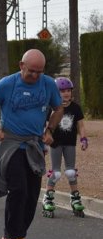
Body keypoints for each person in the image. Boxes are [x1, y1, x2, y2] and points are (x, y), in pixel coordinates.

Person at [0, 49, 63, 239]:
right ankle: (15, 238)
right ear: (21, 65)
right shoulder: (7, 84)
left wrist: (50, 130)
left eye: (40, 72)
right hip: (12, 144)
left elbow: (59, 108)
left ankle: (13, 234)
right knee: (18, 190)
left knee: (32, 194)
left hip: (34, 145)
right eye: (31, 71)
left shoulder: (48, 84)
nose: (35, 76)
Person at [41, 77, 88, 218]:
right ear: (56, 92)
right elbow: (44, 126)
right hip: (55, 143)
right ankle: (47, 198)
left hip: (70, 144)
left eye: (68, 90)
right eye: (62, 91)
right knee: (55, 173)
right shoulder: (52, 108)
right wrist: (43, 143)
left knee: (71, 172)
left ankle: (75, 199)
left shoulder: (75, 108)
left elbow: (81, 125)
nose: (66, 93)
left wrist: (84, 139)